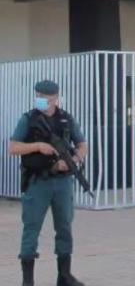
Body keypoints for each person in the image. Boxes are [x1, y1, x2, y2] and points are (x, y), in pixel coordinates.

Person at [7, 80, 88, 286]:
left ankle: (64, 276)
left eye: (46, 98)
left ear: (56, 98)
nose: (41, 101)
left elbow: (82, 144)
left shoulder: (66, 119)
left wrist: (73, 160)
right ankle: (28, 281)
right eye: (39, 97)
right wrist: (38, 146)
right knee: (31, 228)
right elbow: (13, 147)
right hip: (38, 182)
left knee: (64, 227)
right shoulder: (28, 119)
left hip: (62, 183)